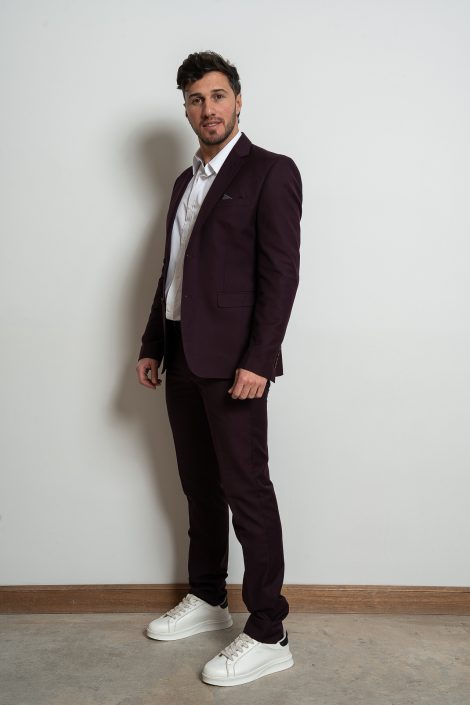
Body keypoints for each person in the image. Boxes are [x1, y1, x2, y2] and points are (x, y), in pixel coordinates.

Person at [136, 50, 302, 687]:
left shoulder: (270, 171)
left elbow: (281, 277)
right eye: (196, 99)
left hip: (236, 364)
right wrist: (153, 343)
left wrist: (259, 360)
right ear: (185, 108)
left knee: (246, 490)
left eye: (218, 96)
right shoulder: (185, 181)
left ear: (238, 100)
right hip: (181, 354)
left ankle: (268, 629)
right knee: (198, 485)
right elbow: (172, 272)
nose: (208, 109)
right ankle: (207, 596)